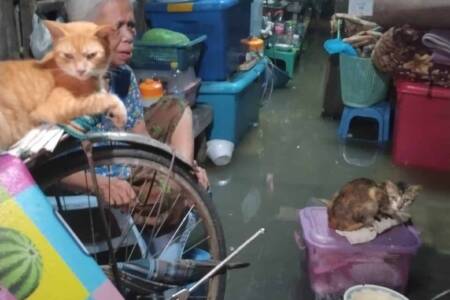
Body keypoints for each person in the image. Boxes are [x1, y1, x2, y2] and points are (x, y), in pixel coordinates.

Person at [62, 0, 209, 207]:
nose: (129, 36)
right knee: (175, 192)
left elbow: (141, 136)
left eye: (131, 26)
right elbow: (46, 166)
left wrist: (182, 168)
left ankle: (183, 179)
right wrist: (101, 184)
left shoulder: (123, 76)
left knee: (175, 108)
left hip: (129, 165)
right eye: (117, 27)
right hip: (99, 188)